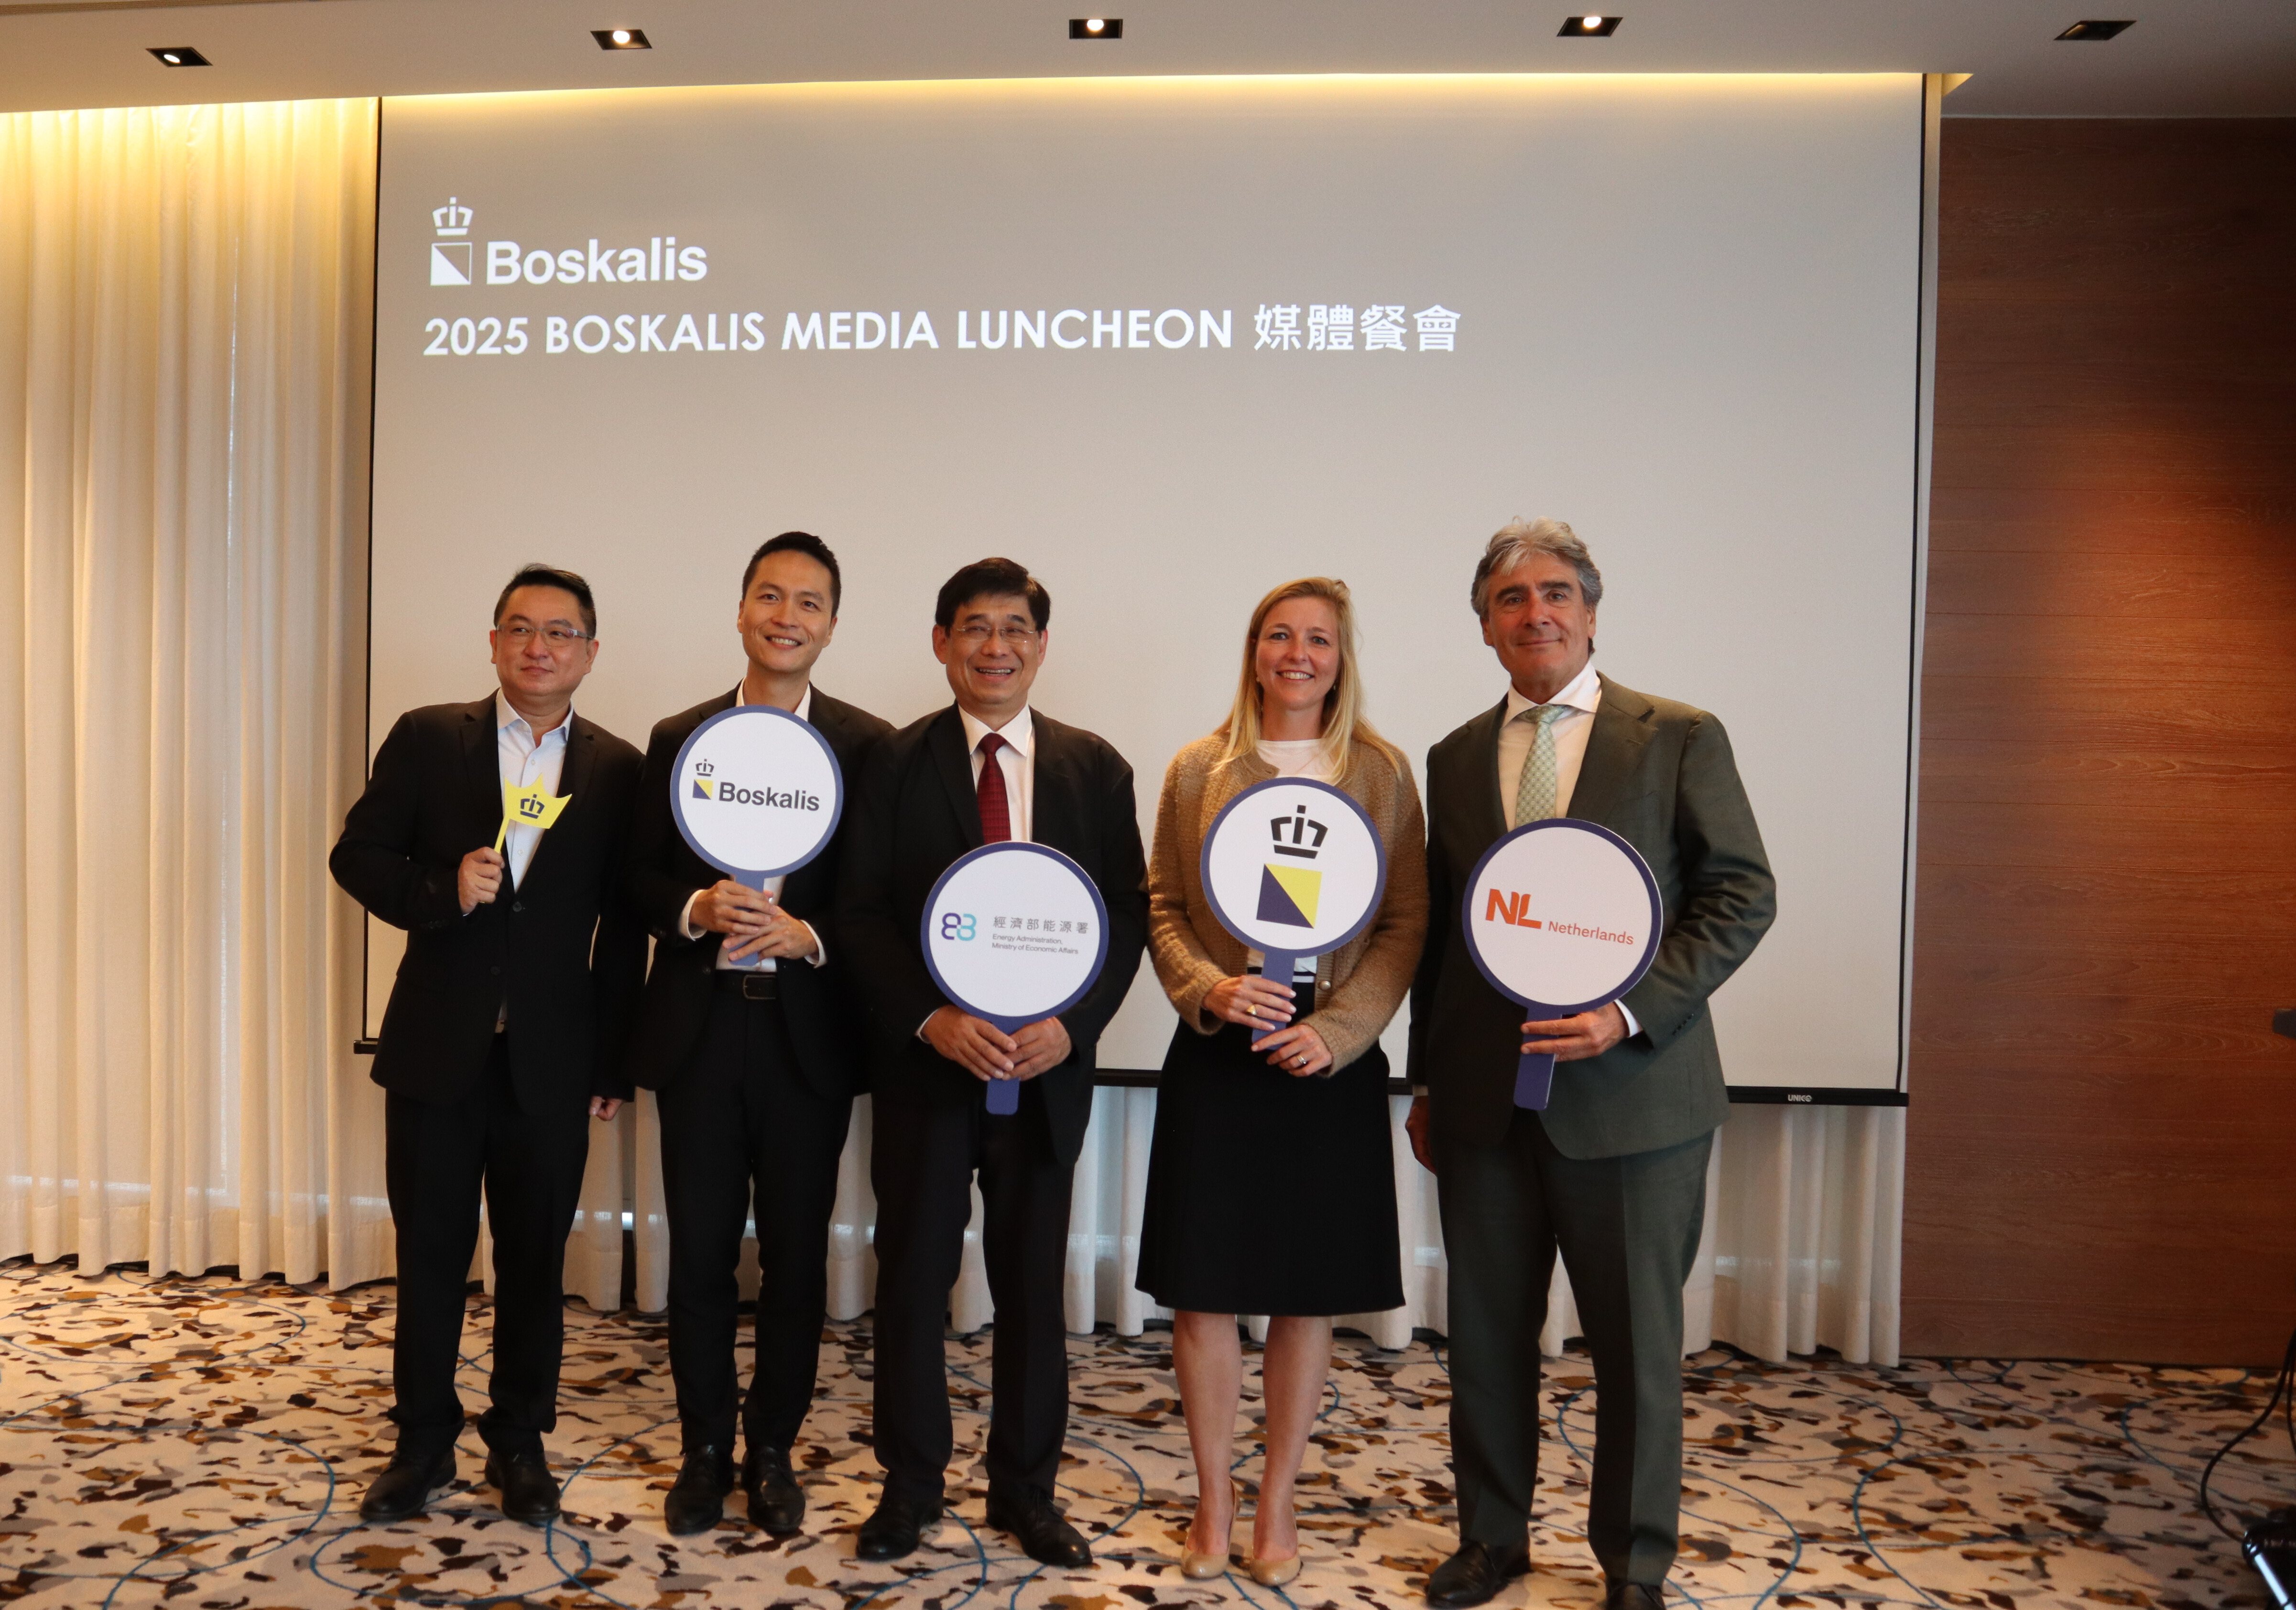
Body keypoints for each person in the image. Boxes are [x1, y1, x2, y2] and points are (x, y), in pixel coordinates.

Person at [1407, 519, 1777, 1610]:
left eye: (1556, 592)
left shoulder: (1678, 736)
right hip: (1485, 1107)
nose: (1536, 613)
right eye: (1511, 599)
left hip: (1635, 1104)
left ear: (1592, 611)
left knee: (1636, 1350)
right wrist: (1427, 1081)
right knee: (1483, 1340)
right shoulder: (1454, 756)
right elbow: (1445, 938)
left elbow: (1741, 894)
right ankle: (1491, 1538)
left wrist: (1629, 1011)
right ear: (1485, 627)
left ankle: (1634, 1562)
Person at [840, 557, 1148, 1567]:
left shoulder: (1093, 769)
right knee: (912, 1279)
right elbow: (859, 913)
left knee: (1029, 1289)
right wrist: (929, 1019)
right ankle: (910, 1486)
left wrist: (1074, 1026)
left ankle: (1025, 1489)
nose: (995, 647)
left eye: (1015, 628)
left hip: (1044, 1075)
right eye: (974, 627)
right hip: (929, 1074)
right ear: (941, 642)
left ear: (1041, 645)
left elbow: (1126, 916)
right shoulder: (893, 763)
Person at [330, 564, 645, 1526]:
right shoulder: (431, 737)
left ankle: (519, 1439)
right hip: (438, 1049)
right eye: (521, 628)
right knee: (431, 1252)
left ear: (590, 651)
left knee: (534, 1261)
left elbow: (622, 927)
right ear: (495, 641)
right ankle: (423, 1441)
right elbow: (357, 855)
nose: (539, 647)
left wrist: (613, 1060)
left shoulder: (618, 768)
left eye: (560, 632)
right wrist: (442, 888)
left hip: (552, 1059)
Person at [1136, 577, 1428, 1587]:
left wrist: (1339, 1031)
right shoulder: (1195, 769)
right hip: (1220, 1055)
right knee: (1202, 1292)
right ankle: (1213, 1497)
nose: (1297, 653)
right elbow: (1164, 906)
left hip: (1323, 1066)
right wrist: (1209, 989)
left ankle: (1277, 1498)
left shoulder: (1380, 773)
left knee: (1308, 1294)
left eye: (1318, 639)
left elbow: (1404, 922)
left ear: (1341, 660)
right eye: (1278, 635)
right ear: (1253, 651)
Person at [620, 532, 892, 1536]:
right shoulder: (678, 737)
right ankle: (703, 1449)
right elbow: (635, 876)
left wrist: (810, 935)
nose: (787, 617)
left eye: (809, 602)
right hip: (698, 1031)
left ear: (831, 625)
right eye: (770, 597)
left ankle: (772, 1448)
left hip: (804, 1038)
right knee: (697, 1255)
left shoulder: (868, 746)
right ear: (741, 612)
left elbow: (881, 898)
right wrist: (693, 907)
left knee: (794, 1260)